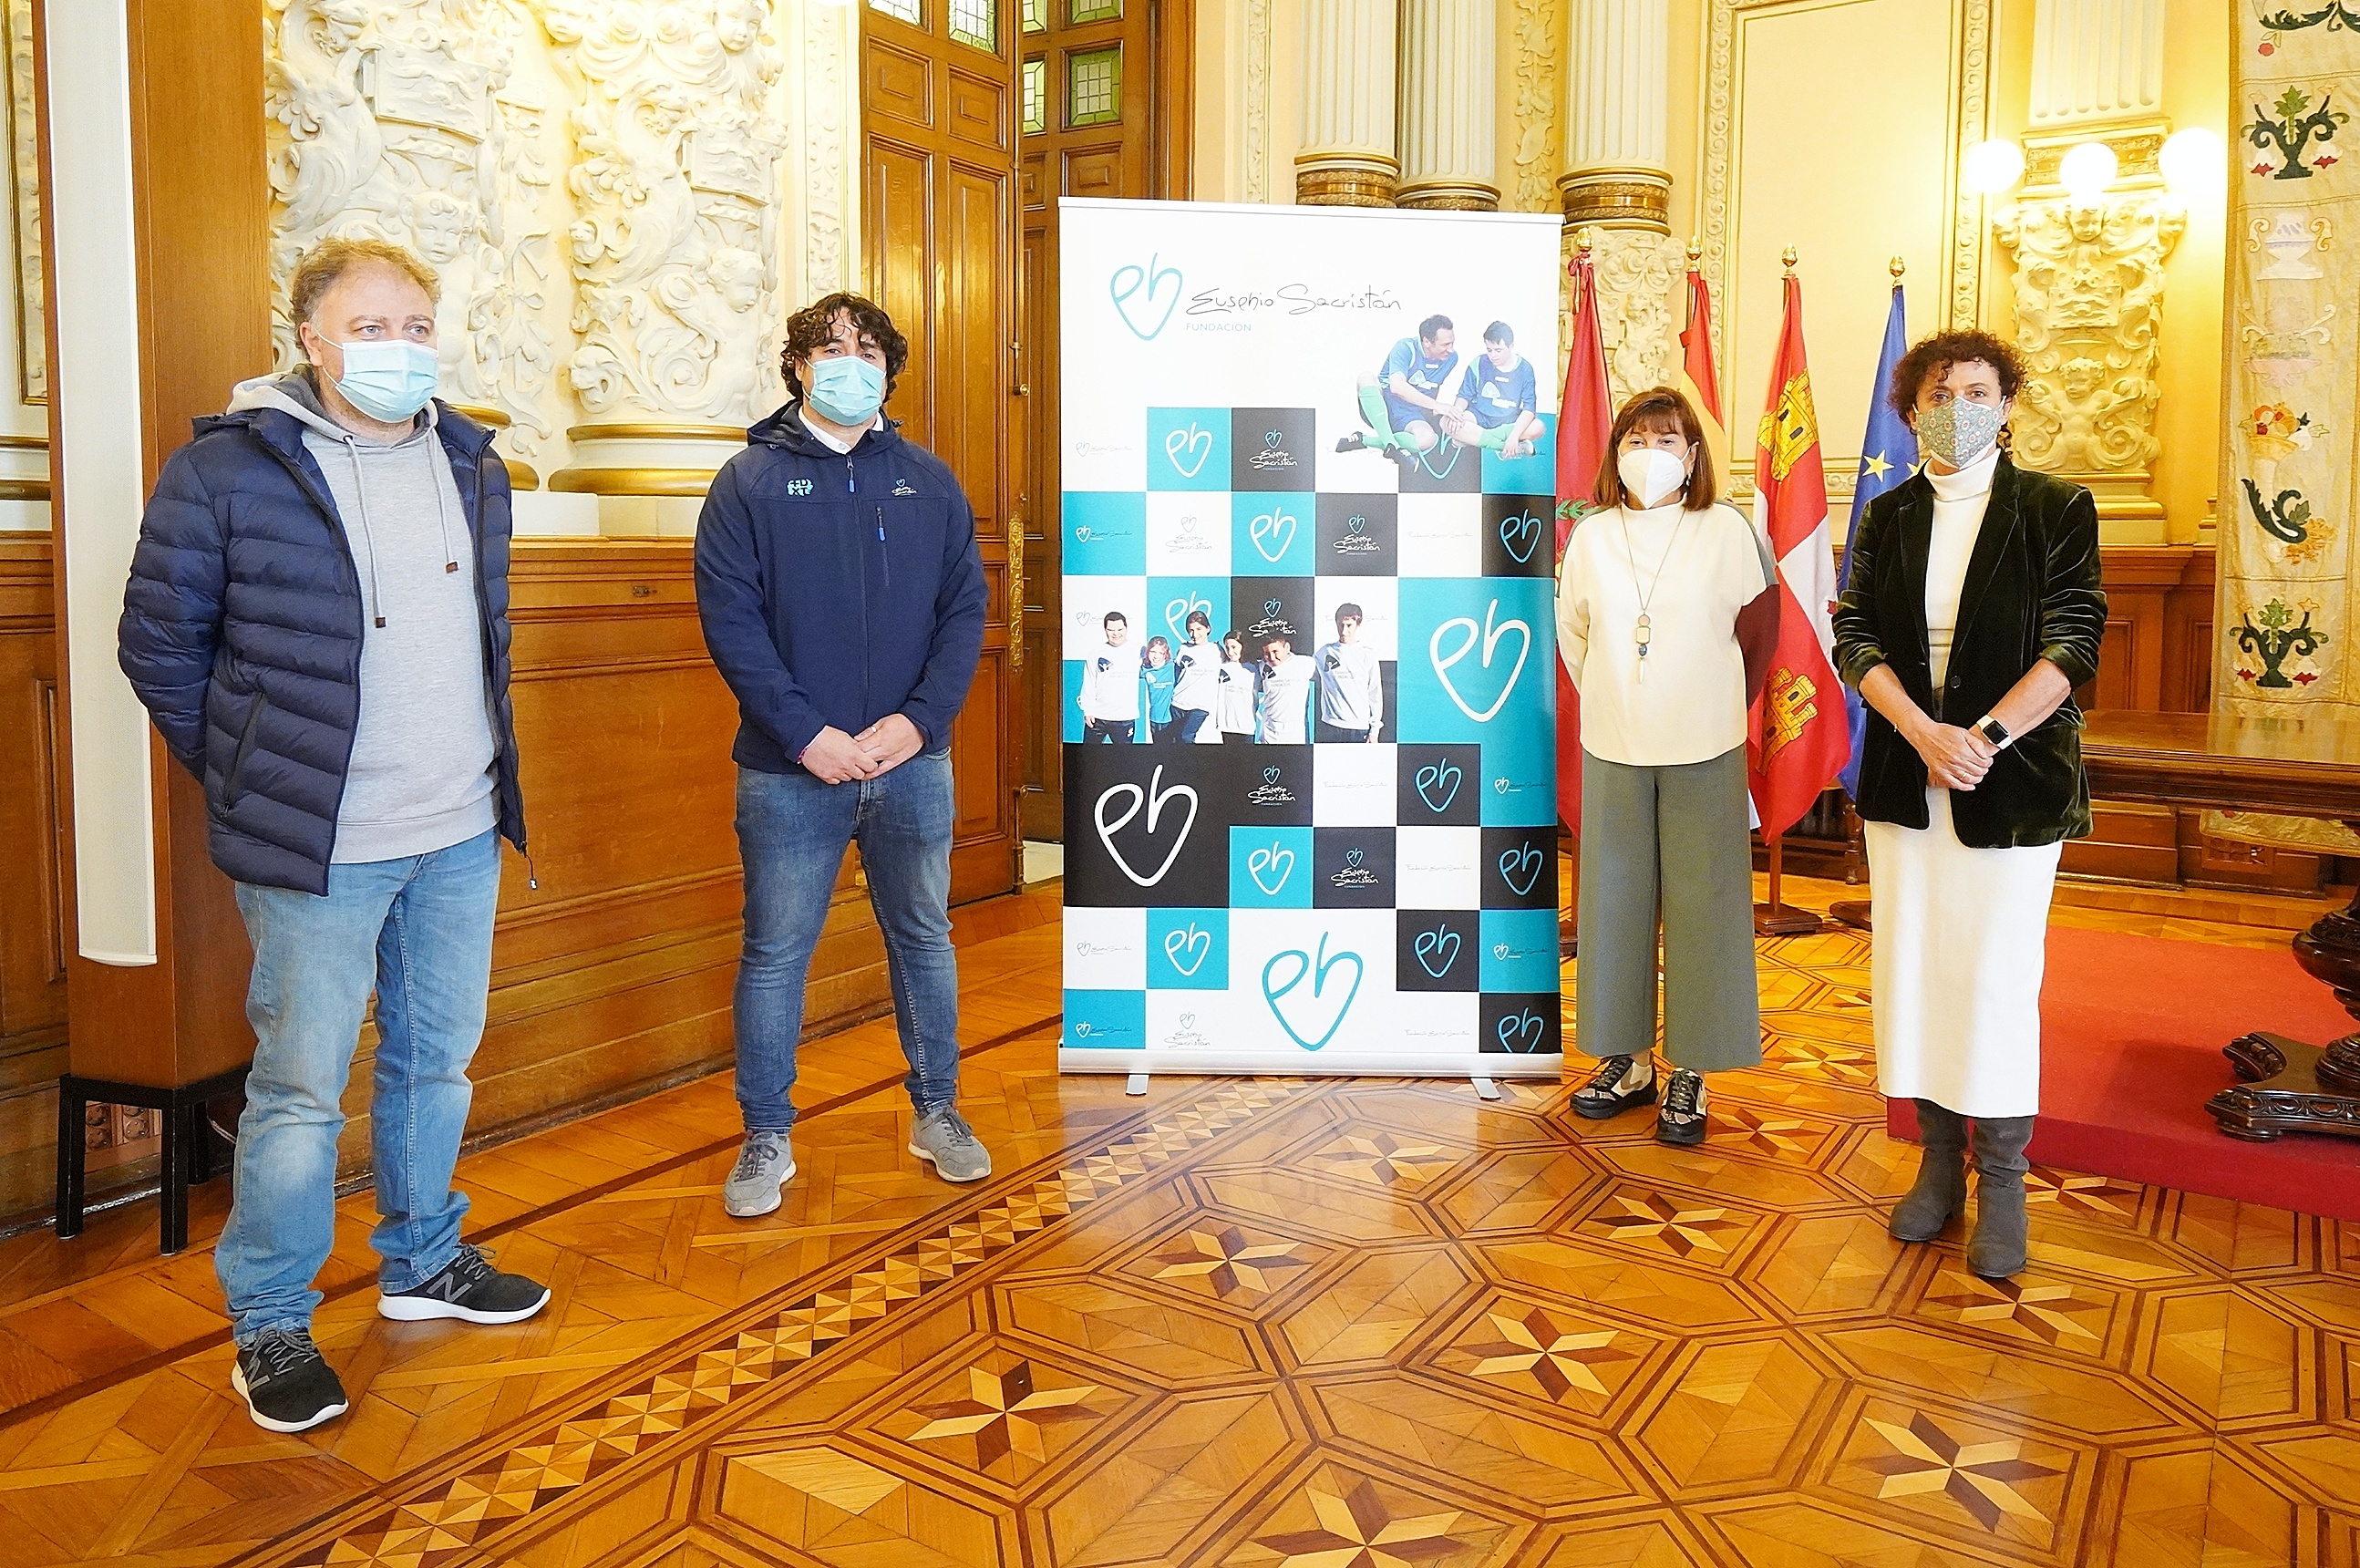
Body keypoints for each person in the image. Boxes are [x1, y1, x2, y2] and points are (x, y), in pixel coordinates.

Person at [117, 237, 546, 1436]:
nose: (400, 347)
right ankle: (270, 1319)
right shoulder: (228, 469)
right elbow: (156, 644)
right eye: (371, 327)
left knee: (435, 1063)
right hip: (322, 844)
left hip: (460, 827)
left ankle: (425, 1260)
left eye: (417, 325)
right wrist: (252, 771)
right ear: (310, 338)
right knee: (302, 1090)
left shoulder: (470, 461)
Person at [695, 290, 993, 1222]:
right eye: (829, 349)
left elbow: (964, 611)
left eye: (868, 351)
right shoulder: (746, 482)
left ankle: (937, 1110)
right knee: (775, 953)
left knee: (924, 940)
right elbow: (732, 623)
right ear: (796, 367)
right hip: (791, 771)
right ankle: (765, 1133)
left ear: (889, 372)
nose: (849, 365)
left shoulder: (929, 481)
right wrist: (807, 735)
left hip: (913, 764)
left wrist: (918, 722)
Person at [1832, 328, 2104, 1280]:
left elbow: (2075, 641)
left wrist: (1981, 738)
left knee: (1992, 978)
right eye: (1938, 395)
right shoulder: (1890, 513)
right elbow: (1855, 635)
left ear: (2008, 404)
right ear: (1910, 413)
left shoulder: (2054, 507)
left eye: (1978, 392)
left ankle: (2004, 1180)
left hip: (2012, 784)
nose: (1958, 409)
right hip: (1908, 779)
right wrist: (1923, 734)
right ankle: (1938, 1163)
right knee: (1914, 971)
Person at [1555, 386, 1778, 1146]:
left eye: (1666, 440)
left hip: (1704, 747)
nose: (1649, 454)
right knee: (1611, 905)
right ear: (1615, 451)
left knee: (1704, 908)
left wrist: (1702, 700)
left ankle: (1691, 1067)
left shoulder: (1727, 531)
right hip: (1613, 742)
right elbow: (1575, 638)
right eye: (1635, 440)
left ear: (1692, 455)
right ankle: (1626, 1060)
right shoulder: (1591, 537)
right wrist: (1625, 694)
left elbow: (1757, 638)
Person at [1335, 314, 1464, 468]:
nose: (1451, 349)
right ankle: (1393, 445)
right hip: (1382, 406)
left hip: (1411, 414)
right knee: (1365, 377)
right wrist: (1436, 405)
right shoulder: (1405, 348)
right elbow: (1397, 387)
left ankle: (1367, 441)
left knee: (1428, 439)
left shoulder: (1451, 358)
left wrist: (1433, 412)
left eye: (1452, 343)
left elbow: (1432, 386)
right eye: (1445, 345)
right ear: (1427, 342)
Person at [1443, 321, 1544, 460]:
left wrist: (1514, 436)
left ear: (1511, 347)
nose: (1493, 356)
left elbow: (1529, 409)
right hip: (1479, 416)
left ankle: (1473, 438)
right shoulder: (1478, 363)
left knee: (1538, 427)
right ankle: (1502, 446)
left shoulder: (1525, 369)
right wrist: (1457, 413)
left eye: (1498, 350)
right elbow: (1464, 396)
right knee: (1446, 422)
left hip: (1509, 419)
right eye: (1489, 350)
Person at [1314, 603, 1383, 744]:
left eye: (1349, 625)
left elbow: (1375, 694)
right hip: (1330, 725)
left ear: (1358, 625)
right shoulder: (1324, 652)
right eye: (1341, 625)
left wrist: (1374, 730)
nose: (1344, 631)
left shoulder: (1368, 654)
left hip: (1358, 727)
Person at [1077, 610, 1139, 743]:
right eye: (1111, 630)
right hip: (1097, 717)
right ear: (1105, 630)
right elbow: (1089, 682)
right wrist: (1088, 710)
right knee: (1089, 754)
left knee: (1123, 756)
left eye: (1120, 629)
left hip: (1125, 718)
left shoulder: (1139, 651)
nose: (1116, 633)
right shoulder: (1096, 653)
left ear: (1126, 628)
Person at [1255, 629, 1316, 745]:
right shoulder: (1262, 666)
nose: (1272, 657)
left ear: (1287, 647)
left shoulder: (1305, 663)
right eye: (1267, 653)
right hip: (1269, 732)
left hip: (1296, 732)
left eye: (1275, 651)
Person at [1170, 610, 1221, 743]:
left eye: (1199, 629)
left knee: (1187, 737)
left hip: (1200, 706)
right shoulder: (1183, 648)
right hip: (1178, 703)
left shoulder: (1217, 650)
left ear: (1207, 628)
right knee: (1177, 741)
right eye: (1191, 630)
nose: (1195, 634)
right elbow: (1176, 673)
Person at [1213, 630, 1258, 742]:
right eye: (1227, 648)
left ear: (1243, 646)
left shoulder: (1255, 668)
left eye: (1234, 647)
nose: (1230, 652)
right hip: (1225, 726)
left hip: (1246, 726)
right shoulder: (1221, 666)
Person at [1142, 635, 1179, 742]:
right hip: (1154, 718)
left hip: (1171, 719)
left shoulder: (1172, 667)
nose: (1156, 656)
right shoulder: (1144, 669)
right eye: (1153, 652)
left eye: (1161, 653)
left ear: (1166, 654)